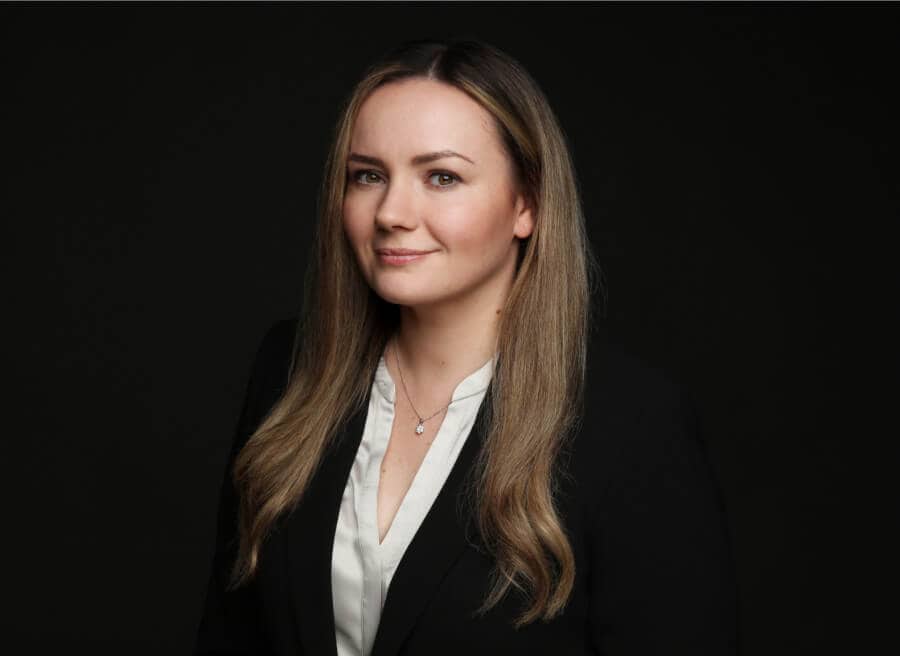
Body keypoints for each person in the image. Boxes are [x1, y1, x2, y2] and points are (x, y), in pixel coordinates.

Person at [193, 38, 739, 656]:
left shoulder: (634, 426)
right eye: (368, 175)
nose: (392, 212)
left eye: (442, 177)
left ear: (526, 204)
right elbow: (230, 633)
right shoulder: (289, 368)